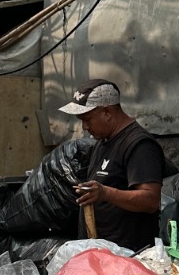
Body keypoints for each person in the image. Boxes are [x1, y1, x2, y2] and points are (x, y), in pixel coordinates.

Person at [62, 81, 168, 251]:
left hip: (128, 258)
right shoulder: (102, 142)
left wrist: (105, 193)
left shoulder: (139, 145)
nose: (84, 127)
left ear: (107, 112)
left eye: (87, 119)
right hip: (103, 256)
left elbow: (150, 201)